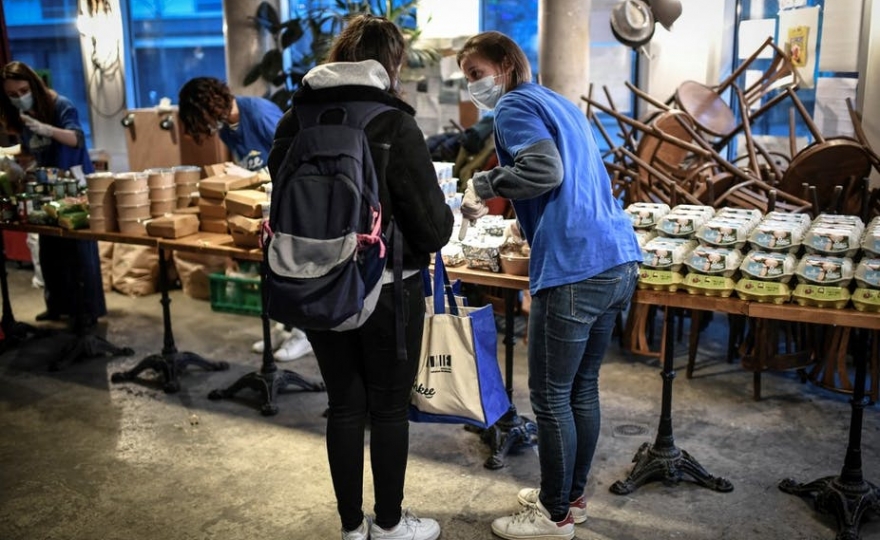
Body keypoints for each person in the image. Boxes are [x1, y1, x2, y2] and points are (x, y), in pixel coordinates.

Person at [268, 14, 453, 540]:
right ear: (391, 62)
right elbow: (433, 229)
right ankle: (391, 526)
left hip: (316, 279)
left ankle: (351, 528)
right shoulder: (393, 122)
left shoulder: (294, 119)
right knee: (390, 409)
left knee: (344, 406)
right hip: (389, 289)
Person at [456, 32, 643, 540]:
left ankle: (553, 515)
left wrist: (485, 184)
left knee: (551, 397)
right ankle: (570, 499)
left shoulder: (514, 104)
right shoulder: (559, 102)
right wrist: (526, 219)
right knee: (581, 389)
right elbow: (574, 180)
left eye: (475, 73)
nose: (472, 85)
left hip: (574, 269)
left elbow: (542, 170)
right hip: (617, 260)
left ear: (505, 64)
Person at [177, 77, 311, 362]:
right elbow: (248, 162)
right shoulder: (228, 129)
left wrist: (251, 176)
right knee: (270, 271)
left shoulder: (260, 115)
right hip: (263, 205)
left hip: (289, 200)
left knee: (292, 268)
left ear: (208, 106)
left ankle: (305, 334)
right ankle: (282, 327)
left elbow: (296, 159)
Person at [0, 60, 106, 326]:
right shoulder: (22, 116)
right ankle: (58, 305)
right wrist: (19, 165)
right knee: (50, 251)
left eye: (22, 91)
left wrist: (48, 130)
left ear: (33, 85)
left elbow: (76, 139)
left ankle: (87, 312)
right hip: (46, 189)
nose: (18, 98)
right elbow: (29, 149)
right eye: (11, 95)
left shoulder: (60, 105)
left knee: (78, 251)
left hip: (74, 185)